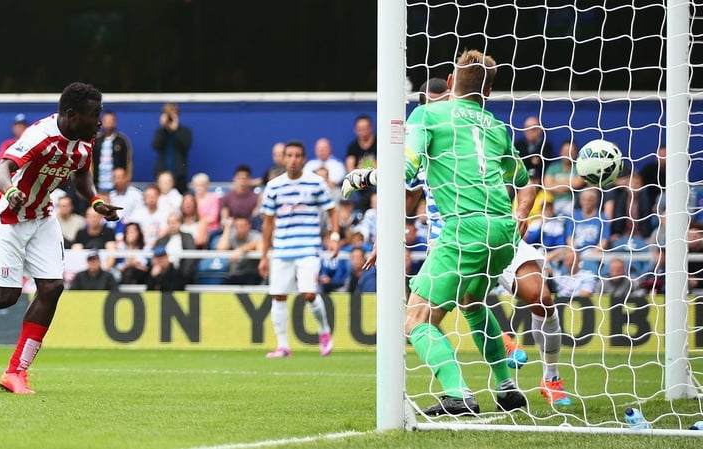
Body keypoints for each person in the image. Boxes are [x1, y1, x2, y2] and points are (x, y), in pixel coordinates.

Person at [342, 56, 531, 415]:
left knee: (414, 320)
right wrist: (520, 214)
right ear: (488, 91)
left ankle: (459, 394)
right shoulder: (495, 126)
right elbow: (522, 181)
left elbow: (405, 169)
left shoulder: (428, 115)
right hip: (504, 233)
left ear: (449, 81)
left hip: (463, 230)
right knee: (474, 305)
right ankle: (507, 388)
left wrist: (363, 177)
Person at [0, 82, 121, 395]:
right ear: (72, 115)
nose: (99, 122)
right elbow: (3, 169)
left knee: (53, 287)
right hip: (5, 214)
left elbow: (82, 174)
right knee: (7, 294)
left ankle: (16, 372)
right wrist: (12, 190)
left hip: (41, 216)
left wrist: (96, 201)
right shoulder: (39, 136)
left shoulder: (85, 140)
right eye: (94, 115)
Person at [259, 140, 340, 358]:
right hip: (282, 249)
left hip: (308, 248)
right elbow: (267, 222)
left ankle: (324, 332)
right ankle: (283, 346)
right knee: (278, 296)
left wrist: (334, 236)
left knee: (308, 293)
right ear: (284, 158)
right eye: (289, 155)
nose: (293, 159)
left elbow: (332, 211)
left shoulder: (315, 183)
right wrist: (264, 256)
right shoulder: (274, 186)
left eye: (297, 156)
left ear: (303, 159)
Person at [151, 103, 193, 193]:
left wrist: (175, 130)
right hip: (162, 175)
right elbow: (155, 146)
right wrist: (163, 128)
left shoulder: (185, 131)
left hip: (179, 175)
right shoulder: (160, 132)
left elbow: (186, 146)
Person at [150, 215, 197, 290]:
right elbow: (157, 257)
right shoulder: (161, 240)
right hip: (164, 272)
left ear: (180, 223)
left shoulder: (188, 237)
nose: (172, 225)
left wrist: (184, 273)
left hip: (181, 272)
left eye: (175, 222)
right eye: (170, 223)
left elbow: (190, 257)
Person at [92, 110, 133, 193]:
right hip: (98, 184)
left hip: (116, 186)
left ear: (115, 122)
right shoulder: (95, 140)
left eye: (111, 120)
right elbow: (89, 162)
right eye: (106, 121)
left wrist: (127, 179)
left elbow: (128, 162)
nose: (108, 123)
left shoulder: (122, 140)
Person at [216, 216, 263, 285]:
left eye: (242, 226)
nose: (239, 229)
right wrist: (227, 228)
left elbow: (260, 246)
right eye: (236, 226)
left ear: (248, 226)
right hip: (234, 274)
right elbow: (220, 248)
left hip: (252, 274)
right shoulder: (233, 235)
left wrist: (241, 250)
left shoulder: (256, 235)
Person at [514, 115, 553, 180]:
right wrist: (531, 160)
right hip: (520, 181)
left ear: (540, 130)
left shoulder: (546, 146)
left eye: (533, 129)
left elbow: (542, 165)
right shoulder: (518, 145)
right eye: (527, 129)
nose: (529, 131)